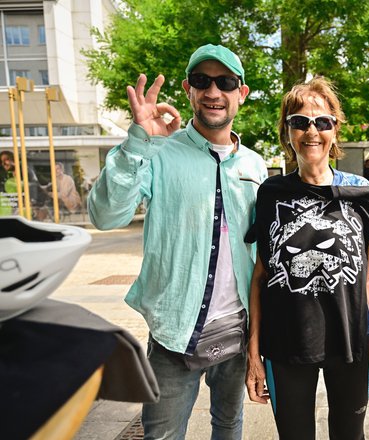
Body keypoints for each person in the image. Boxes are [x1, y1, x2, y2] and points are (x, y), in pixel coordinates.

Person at [87, 43, 268, 439]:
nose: (213, 92)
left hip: (237, 331)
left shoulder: (255, 165)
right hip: (175, 332)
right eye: (202, 81)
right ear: (188, 89)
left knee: (229, 426)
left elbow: (260, 252)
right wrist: (138, 143)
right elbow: (105, 215)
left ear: (242, 92)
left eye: (225, 82)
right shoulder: (159, 151)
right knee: (163, 435)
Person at [245, 77, 369, 440]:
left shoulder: (361, 194)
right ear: (287, 132)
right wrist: (253, 350)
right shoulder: (271, 194)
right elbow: (260, 275)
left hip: (351, 343)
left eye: (321, 122)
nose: (310, 131)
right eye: (299, 122)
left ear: (334, 130)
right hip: (285, 344)